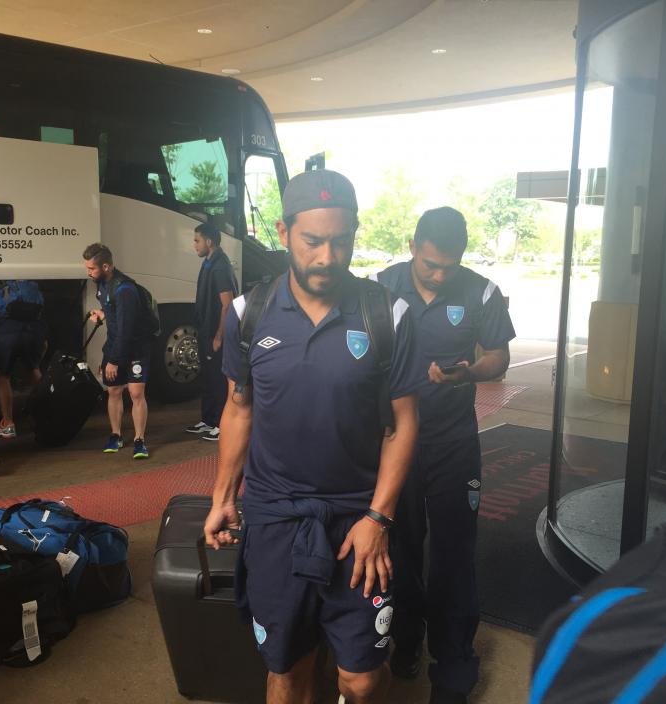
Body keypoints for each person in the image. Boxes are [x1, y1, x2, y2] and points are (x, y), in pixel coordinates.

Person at [204, 169, 422, 704]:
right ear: (283, 232)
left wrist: (378, 518)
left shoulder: (386, 314)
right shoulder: (246, 314)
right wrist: (222, 498)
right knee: (287, 672)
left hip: (358, 524)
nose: (328, 257)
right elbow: (239, 409)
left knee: (363, 678)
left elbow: (404, 424)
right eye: (313, 241)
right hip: (277, 520)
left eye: (341, 241)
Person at [376, 207, 515, 704]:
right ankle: (406, 641)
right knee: (402, 550)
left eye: (447, 267)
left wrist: (470, 371)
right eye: (430, 264)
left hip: (454, 444)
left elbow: (499, 356)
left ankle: (453, 666)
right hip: (397, 446)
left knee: (454, 554)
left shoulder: (480, 291)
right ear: (414, 246)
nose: (438, 274)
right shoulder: (381, 286)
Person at [83, 243, 150, 459]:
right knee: (113, 391)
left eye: (92, 269)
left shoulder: (125, 290)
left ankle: (139, 440)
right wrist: (103, 314)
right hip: (115, 346)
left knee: (136, 393)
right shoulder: (103, 284)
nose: (89, 273)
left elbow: (127, 330)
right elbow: (115, 313)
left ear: (106, 266)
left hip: (135, 348)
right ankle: (116, 435)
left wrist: (113, 361)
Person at [186, 222, 238, 442]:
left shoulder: (220, 266)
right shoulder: (208, 262)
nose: (194, 245)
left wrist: (219, 336)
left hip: (215, 334)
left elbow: (227, 304)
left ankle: (219, 424)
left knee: (217, 380)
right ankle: (208, 420)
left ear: (209, 241)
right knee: (207, 378)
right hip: (205, 331)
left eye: (197, 240)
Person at [0, 280, 48, 438]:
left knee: (3, 376)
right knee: (34, 370)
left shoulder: (4, 291)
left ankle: (7, 423)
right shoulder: (33, 289)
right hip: (32, 334)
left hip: (7, 335)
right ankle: (46, 416)